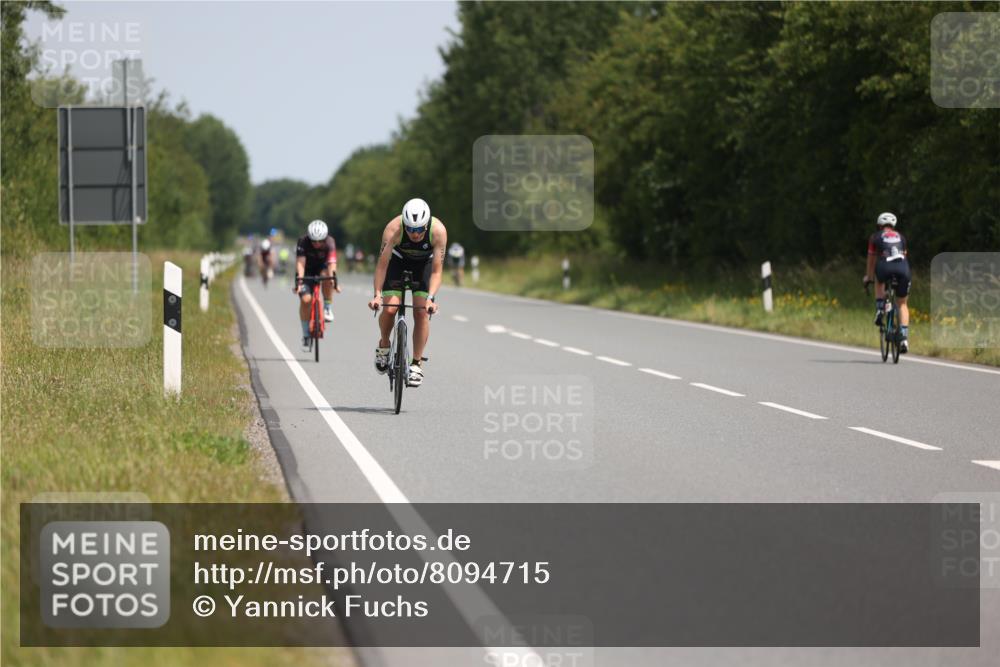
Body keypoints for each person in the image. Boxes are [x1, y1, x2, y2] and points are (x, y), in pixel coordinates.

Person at [367, 198, 446, 387]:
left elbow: (436, 271)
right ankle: (384, 344)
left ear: (426, 226)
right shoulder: (393, 228)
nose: (414, 233)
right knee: (390, 309)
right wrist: (377, 294)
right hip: (397, 261)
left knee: (421, 312)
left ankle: (417, 363)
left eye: (419, 230)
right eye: (410, 229)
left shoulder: (438, 231)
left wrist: (431, 299)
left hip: (424, 264)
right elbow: (381, 266)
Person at [864, 212, 911, 353]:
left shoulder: (875, 237)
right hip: (903, 269)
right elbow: (904, 256)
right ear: (894, 225)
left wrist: (869, 277)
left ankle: (880, 309)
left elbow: (871, 259)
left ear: (879, 225)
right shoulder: (901, 237)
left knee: (879, 280)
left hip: (885, 267)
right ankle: (904, 338)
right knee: (902, 303)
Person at [295, 219, 340, 352]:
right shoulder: (303, 242)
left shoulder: (330, 242)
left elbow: (332, 263)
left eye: (320, 241)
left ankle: (327, 307)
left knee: (328, 276)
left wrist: (334, 281)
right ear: (309, 238)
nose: (317, 243)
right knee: (305, 300)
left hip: (322, 268)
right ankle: (306, 335)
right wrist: (299, 282)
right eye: (314, 241)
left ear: (325, 238)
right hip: (307, 271)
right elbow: (301, 264)